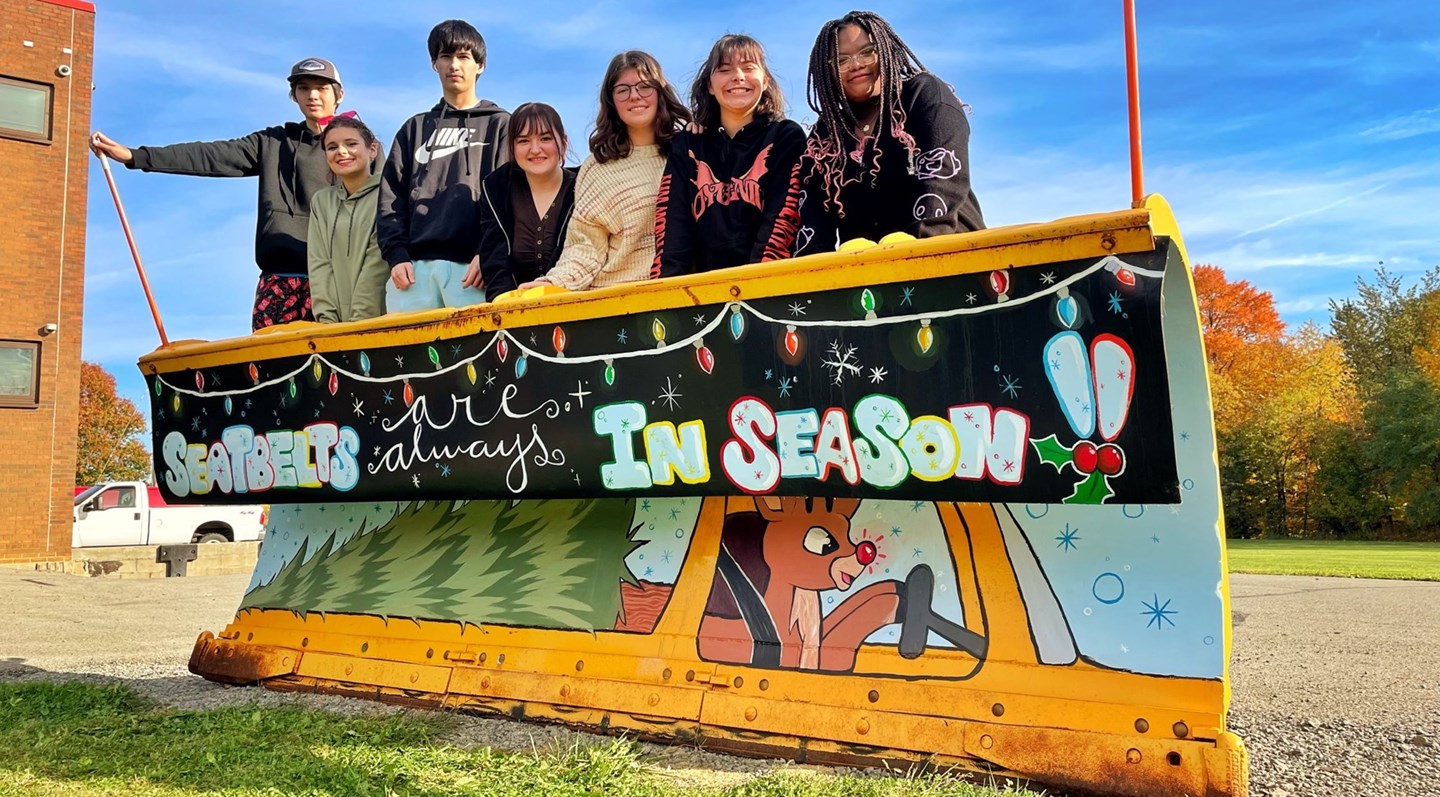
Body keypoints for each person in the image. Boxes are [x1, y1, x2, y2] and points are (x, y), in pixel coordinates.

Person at [89, 57, 351, 330]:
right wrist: (136, 156)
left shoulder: (358, 147)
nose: (312, 95)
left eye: (321, 87)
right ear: (294, 96)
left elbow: (380, 206)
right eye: (303, 88)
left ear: (339, 94)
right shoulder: (272, 142)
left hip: (337, 281)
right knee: (273, 366)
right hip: (279, 279)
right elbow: (210, 155)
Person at [791, 11, 984, 257]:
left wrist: (921, 251)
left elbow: (943, 181)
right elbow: (813, 221)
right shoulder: (825, 135)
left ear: (886, 51)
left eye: (867, 51)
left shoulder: (922, 95)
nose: (856, 64)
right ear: (827, 71)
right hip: (870, 279)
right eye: (841, 60)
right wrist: (814, 273)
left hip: (951, 259)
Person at [521, 51, 690, 292]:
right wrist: (553, 282)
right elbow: (585, 244)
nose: (634, 96)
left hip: (685, 296)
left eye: (644, 86)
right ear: (611, 100)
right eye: (623, 90)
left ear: (660, 92)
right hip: (614, 299)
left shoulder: (689, 154)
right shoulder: (598, 168)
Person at [379, 19, 510, 313]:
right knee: (407, 358)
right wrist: (396, 256)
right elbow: (390, 198)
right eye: (445, 56)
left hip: (473, 273)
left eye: (463, 57)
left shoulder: (502, 125)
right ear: (434, 64)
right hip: (412, 275)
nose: (454, 65)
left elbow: (509, 197)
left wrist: (489, 254)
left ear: (480, 66)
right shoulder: (414, 128)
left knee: (477, 358)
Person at [652, 34, 806, 277]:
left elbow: (783, 217)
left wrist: (758, 281)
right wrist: (665, 291)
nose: (738, 76)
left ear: (765, 80)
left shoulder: (786, 136)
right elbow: (673, 226)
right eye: (724, 69)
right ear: (710, 86)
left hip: (768, 283)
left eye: (748, 67)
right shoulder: (689, 144)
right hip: (702, 293)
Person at [474, 103, 578, 302]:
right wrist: (505, 310)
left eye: (545, 138)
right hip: (515, 311)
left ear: (563, 142)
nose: (535, 149)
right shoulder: (496, 189)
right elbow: (496, 263)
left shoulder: (584, 187)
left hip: (574, 306)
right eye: (523, 141)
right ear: (512, 147)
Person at [308, 114, 388, 323]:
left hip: (382, 320)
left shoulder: (388, 193)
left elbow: (377, 263)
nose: (342, 152)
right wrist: (326, 321)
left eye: (351, 144)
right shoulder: (321, 201)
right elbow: (319, 263)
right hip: (333, 327)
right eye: (332, 147)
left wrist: (358, 322)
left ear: (372, 150)